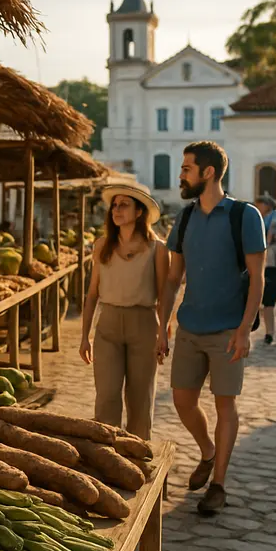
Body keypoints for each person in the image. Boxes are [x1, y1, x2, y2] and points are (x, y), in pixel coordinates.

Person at [157, 142, 266, 515]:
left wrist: (243, 329)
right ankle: (207, 451)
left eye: (187, 168)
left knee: (225, 405)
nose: (181, 175)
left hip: (226, 331)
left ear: (208, 173)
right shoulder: (184, 218)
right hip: (189, 326)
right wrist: (163, 324)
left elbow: (257, 277)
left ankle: (218, 484)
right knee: (182, 401)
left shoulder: (244, 216)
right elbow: (173, 278)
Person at [79, 183, 168, 440]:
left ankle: (138, 455)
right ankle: (107, 454)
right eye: (114, 205)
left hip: (144, 324)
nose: (116, 210)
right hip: (108, 325)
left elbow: (163, 296)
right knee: (106, 396)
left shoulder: (157, 249)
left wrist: (163, 333)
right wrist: (85, 336)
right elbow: (92, 293)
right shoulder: (101, 245)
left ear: (139, 212)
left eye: (124, 205)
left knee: (140, 398)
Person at [255, 193, 276, 344]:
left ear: (268, 205)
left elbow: (269, 238)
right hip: (261, 261)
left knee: (269, 300)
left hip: (271, 261)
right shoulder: (262, 217)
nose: (258, 207)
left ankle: (269, 333)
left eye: (260, 204)